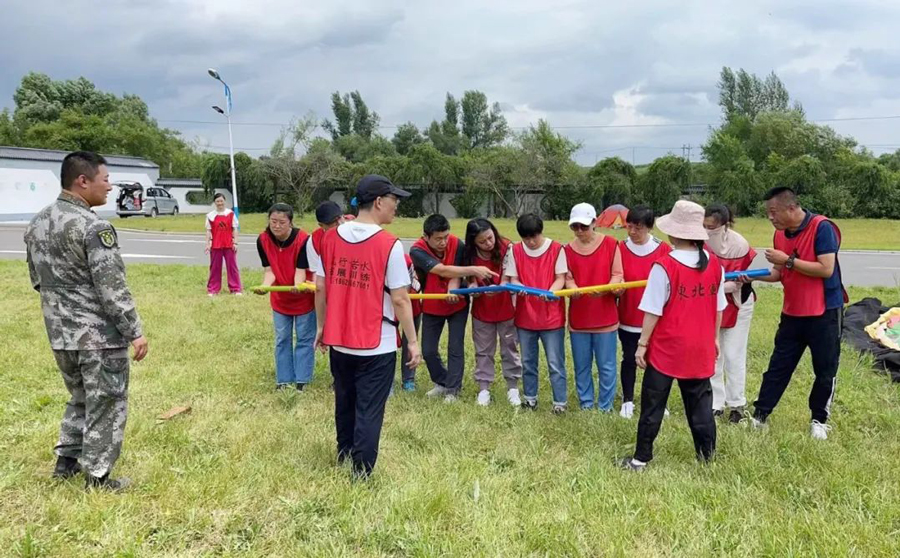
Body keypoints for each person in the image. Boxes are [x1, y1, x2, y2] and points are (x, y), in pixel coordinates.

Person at [24, 151, 149, 491]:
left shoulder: (38, 222)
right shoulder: (94, 227)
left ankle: (66, 462)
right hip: (98, 336)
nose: (109, 187)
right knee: (107, 401)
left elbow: (37, 280)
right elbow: (112, 288)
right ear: (83, 181)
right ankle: (97, 476)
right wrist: (134, 331)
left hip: (60, 333)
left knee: (79, 396)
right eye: (105, 179)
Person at [314, 174, 421, 478]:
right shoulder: (389, 245)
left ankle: (345, 454)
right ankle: (361, 471)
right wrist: (413, 341)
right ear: (378, 202)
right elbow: (400, 298)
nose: (396, 206)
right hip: (378, 342)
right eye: (394, 200)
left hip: (339, 338)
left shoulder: (329, 238)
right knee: (370, 409)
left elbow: (320, 286)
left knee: (345, 401)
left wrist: (321, 327)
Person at [620, 200, 725, 471]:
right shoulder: (715, 264)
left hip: (667, 350)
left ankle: (641, 458)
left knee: (652, 406)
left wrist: (642, 344)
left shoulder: (664, 266)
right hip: (700, 347)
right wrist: (714, 339)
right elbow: (719, 308)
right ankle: (707, 458)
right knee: (701, 407)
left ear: (674, 233)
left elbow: (652, 311)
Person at [747, 187, 847, 439]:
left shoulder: (822, 227)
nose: (770, 218)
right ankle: (760, 416)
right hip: (793, 311)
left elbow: (825, 268)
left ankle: (819, 420)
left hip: (824, 311)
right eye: (768, 213)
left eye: (774, 212)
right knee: (778, 365)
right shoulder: (779, 235)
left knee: (825, 369)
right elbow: (778, 273)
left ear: (791, 208)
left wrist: (787, 260)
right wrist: (750, 276)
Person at [410, 214, 497, 402]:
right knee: (428, 350)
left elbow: (455, 272)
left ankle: (453, 390)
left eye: (446, 237)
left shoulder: (457, 244)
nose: (443, 242)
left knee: (455, 347)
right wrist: (474, 269)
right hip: (432, 303)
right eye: (438, 239)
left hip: (458, 303)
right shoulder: (417, 250)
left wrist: (453, 289)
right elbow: (441, 270)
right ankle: (442, 381)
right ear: (426, 237)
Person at [503, 213, 568, 414]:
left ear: (541, 232)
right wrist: (519, 287)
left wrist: (551, 292)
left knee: (555, 363)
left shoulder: (556, 249)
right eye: (526, 238)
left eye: (534, 237)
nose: (531, 242)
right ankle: (530, 399)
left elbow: (560, 277)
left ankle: (560, 403)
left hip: (552, 318)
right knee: (527, 362)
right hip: (526, 317)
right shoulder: (515, 250)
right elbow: (512, 278)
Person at [564, 203, 623, 412]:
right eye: (575, 227)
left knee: (607, 365)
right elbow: (567, 277)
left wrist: (608, 288)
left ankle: (605, 405)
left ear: (594, 223)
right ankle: (586, 403)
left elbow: (618, 274)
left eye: (584, 226)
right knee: (581, 365)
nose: (580, 231)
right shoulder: (567, 250)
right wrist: (573, 288)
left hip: (605, 316)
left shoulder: (611, 244)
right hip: (580, 317)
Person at [254, 204, 316, 391]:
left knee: (304, 338)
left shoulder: (304, 239)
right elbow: (269, 270)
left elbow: (300, 270)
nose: (277, 226)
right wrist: (265, 286)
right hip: (280, 299)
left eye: (282, 222)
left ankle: (302, 380)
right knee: (282, 338)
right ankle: (283, 380)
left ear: (290, 223)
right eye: (273, 221)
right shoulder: (262, 240)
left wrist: (298, 285)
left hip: (303, 298)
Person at [704, 204, 756, 423]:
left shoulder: (739, 245)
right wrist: (715, 287)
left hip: (738, 303)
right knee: (713, 353)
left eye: (712, 228)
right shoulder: (699, 242)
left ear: (724, 225)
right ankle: (716, 403)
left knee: (734, 354)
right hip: (708, 304)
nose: (708, 231)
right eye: (705, 226)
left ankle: (736, 404)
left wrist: (717, 286)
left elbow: (736, 283)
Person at [617, 206, 671, 419]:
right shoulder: (620, 248)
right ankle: (627, 400)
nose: (632, 232)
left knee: (656, 362)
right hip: (628, 315)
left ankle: (657, 402)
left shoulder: (663, 249)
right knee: (629, 358)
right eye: (629, 227)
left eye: (637, 228)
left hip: (655, 318)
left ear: (649, 227)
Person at [463, 218, 522, 406]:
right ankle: (484, 389)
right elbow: (470, 281)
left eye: (490, 238)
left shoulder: (507, 247)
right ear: (473, 242)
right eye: (482, 242)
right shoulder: (469, 254)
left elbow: (508, 278)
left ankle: (512, 387)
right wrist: (474, 288)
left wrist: (500, 286)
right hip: (482, 311)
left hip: (506, 308)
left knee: (510, 348)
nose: (488, 243)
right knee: (483, 350)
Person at [205, 193, 242, 296]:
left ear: (224, 201)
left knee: (232, 267)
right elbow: (208, 231)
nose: (220, 203)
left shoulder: (231, 214)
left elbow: (235, 229)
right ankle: (213, 289)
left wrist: (235, 242)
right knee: (215, 268)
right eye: (217, 201)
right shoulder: (210, 216)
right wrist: (207, 244)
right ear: (215, 202)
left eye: (221, 201)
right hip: (216, 245)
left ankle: (235, 289)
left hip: (229, 245)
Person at [399, 253, 422, 391]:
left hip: (410, 305)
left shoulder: (405, 260)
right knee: (387, 342)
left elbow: (407, 291)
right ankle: (386, 380)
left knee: (409, 342)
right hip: (384, 306)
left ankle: (408, 380)